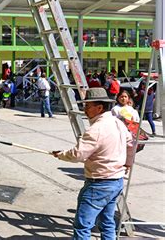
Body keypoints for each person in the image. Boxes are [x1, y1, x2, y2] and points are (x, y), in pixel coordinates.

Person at [52, 88, 134, 239]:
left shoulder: (96, 129)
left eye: (88, 106)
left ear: (99, 107)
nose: (85, 110)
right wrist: (128, 163)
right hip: (116, 182)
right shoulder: (118, 122)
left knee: (82, 225)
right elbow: (131, 144)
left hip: (99, 184)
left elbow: (77, 154)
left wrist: (61, 155)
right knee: (106, 221)